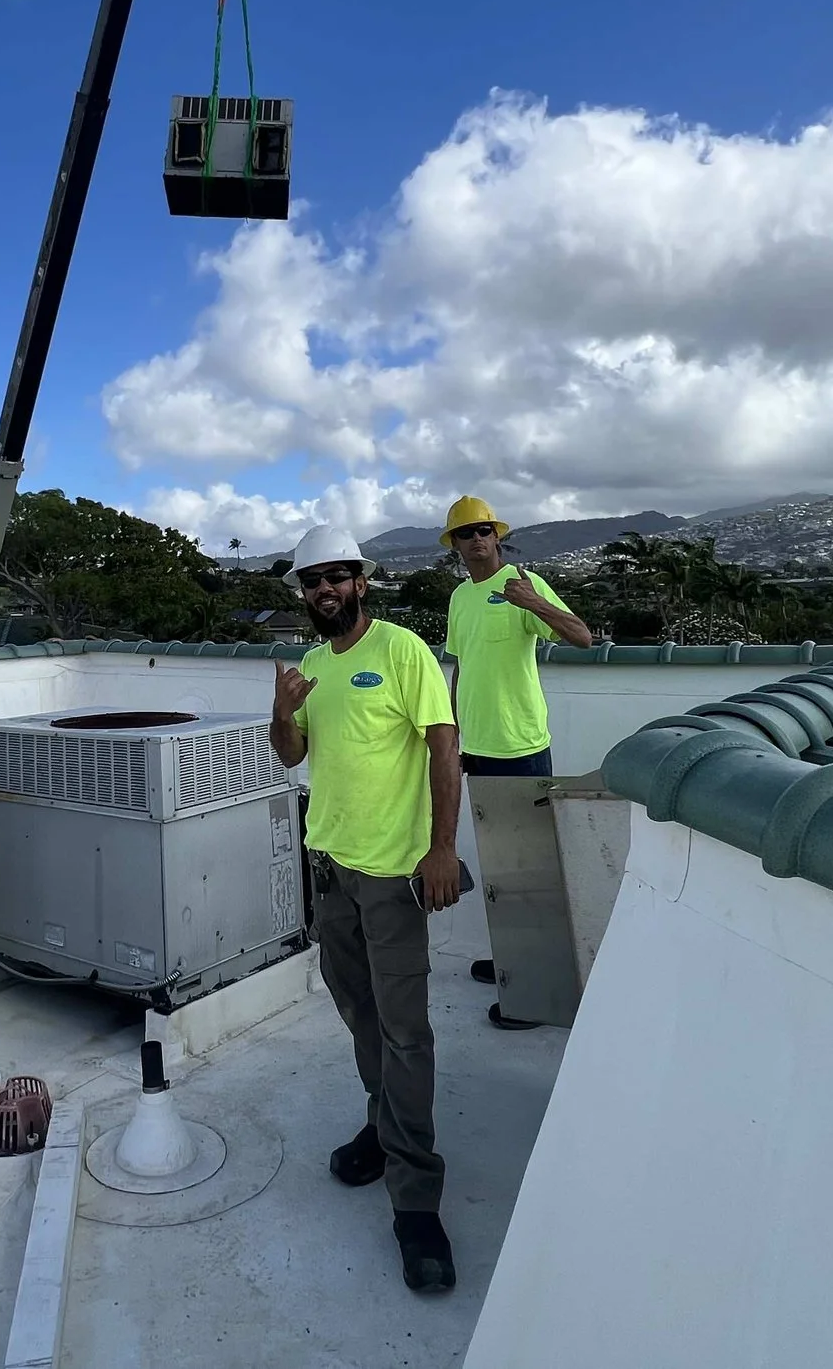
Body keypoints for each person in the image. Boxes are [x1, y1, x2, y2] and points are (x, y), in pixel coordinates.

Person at [268, 524, 464, 1295]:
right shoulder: (312, 665)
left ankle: (416, 1199)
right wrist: (282, 708)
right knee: (362, 1018)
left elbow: (444, 748)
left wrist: (441, 848)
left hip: (391, 876)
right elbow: (290, 754)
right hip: (331, 871)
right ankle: (385, 1131)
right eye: (311, 580)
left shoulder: (404, 651)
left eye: (336, 577)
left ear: (362, 581)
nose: (324, 590)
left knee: (406, 1031)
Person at [441, 497, 591, 1026]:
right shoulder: (461, 597)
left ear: (497, 536)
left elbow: (581, 637)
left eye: (485, 530)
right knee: (502, 866)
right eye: (467, 533)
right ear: (455, 545)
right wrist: (455, 736)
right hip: (478, 750)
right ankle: (514, 961)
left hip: (523, 749)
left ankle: (536, 993)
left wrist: (531, 602)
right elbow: (462, 667)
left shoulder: (523, 582)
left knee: (533, 871)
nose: (478, 539)